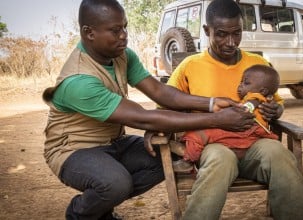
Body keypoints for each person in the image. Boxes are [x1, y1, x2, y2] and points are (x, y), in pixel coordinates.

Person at [42, 0, 255, 219]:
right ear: (89, 33)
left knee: (170, 157)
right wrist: (218, 119)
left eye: (124, 27)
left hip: (114, 143)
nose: (124, 35)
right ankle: (81, 213)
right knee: (116, 184)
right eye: (115, 31)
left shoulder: (122, 55)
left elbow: (161, 92)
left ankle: (104, 202)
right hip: (73, 151)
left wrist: (210, 103)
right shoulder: (79, 82)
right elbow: (144, 119)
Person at [165, 0, 303, 219]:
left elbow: (278, 101)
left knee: (281, 156)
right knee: (219, 160)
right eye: (222, 34)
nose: (231, 42)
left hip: (255, 145)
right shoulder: (190, 66)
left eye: (237, 33)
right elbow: (165, 103)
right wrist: (154, 130)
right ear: (207, 31)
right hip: (215, 146)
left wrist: (276, 110)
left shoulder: (257, 63)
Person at [171, 64, 280, 172]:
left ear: (263, 91)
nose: (240, 86)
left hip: (246, 130)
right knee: (206, 135)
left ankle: (187, 157)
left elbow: (247, 109)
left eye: (246, 83)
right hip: (245, 132)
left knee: (202, 134)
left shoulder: (255, 97)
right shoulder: (258, 97)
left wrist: (228, 113)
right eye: (241, 82)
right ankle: (189, 151)